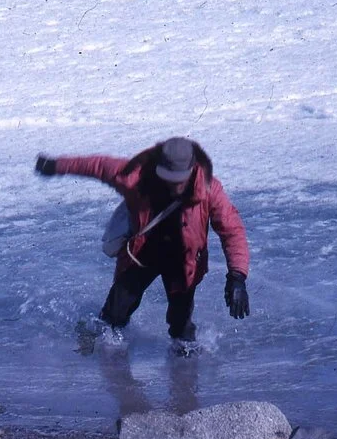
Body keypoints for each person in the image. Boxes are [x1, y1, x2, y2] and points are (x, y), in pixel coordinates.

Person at [34, 136, 250, 345]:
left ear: (192, 169)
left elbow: (232, 230)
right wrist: (55, 166)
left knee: (181, 328)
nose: (173, 186)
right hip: (142, 254)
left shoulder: (210, 188)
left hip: (184, 262)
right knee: (113, 316)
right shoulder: (135, 175)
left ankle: (185, 370)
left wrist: (237, 276)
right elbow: (98, 165)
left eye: (179, 180)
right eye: (168, 178)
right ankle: (102, 356)